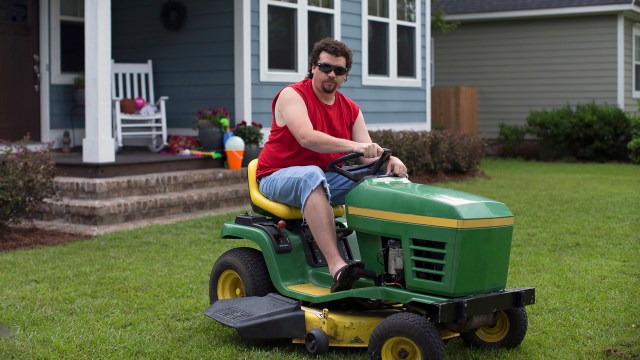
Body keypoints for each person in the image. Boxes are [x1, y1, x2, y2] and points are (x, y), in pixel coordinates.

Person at [256, 38, 408, 292]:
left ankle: (394, 263)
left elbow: (367, 157)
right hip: (276, 177)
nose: (332, 74)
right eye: (326, 67)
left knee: (386, 180)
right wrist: (354, 146)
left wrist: (388, 161)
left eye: (339, 70)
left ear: (346, 76)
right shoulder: (292, 95)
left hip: (326, 177)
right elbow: (307, 137)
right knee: (310, 176)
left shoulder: (351, 109)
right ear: (313, 67)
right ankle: (338, 267)